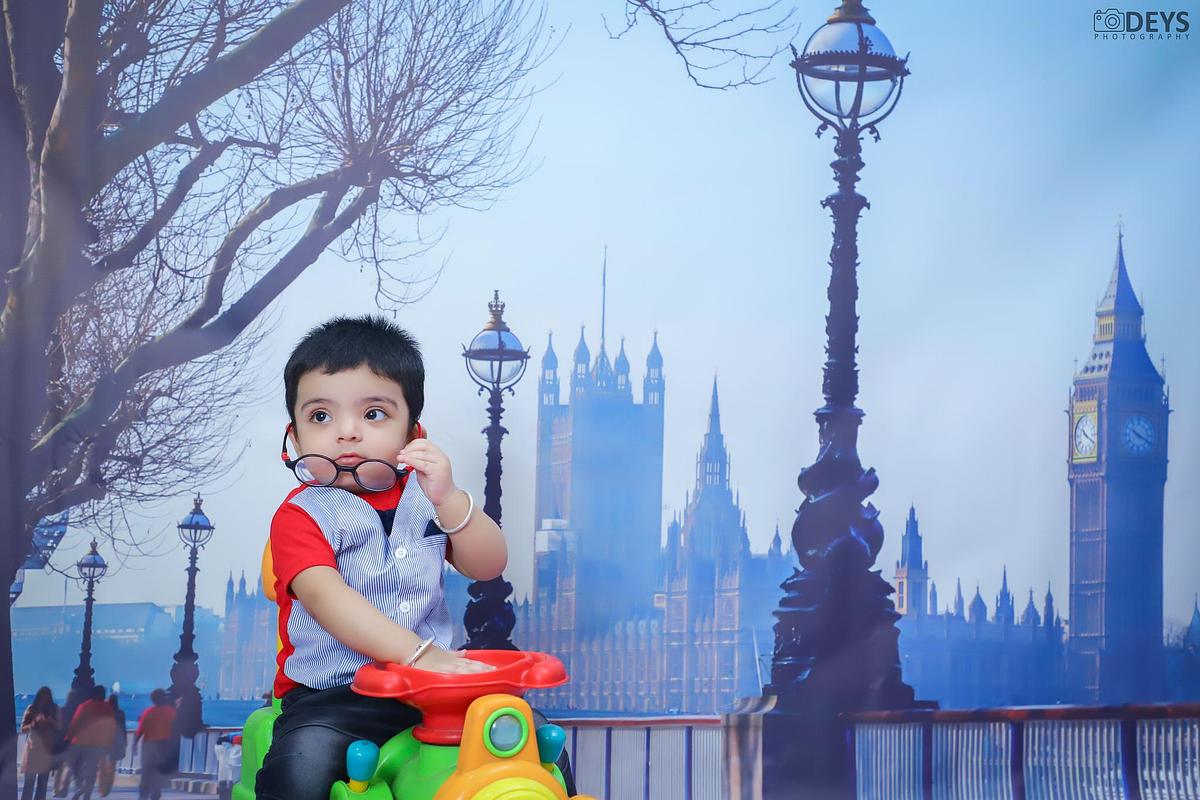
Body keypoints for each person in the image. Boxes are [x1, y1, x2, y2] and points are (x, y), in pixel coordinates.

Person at [254, 316, 508, 800]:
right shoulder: (300, 515)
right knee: (299, 768)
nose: (347, 433)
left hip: (431, 691)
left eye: (373, 414)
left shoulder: (426, 497)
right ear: (295, 436)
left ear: (414, 431)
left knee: (529, 740)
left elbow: (489, 564)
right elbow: (326, 598)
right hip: (336, 696)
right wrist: (421, 654)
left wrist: (451, 498)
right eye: (321, 417)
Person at [64, 685, 117, 800]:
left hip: (81, 741)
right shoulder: (108, 708)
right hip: (98, 744)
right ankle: (87, 793)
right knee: (92, 769)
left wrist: (68, 737)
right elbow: (111, 727)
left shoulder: (85, 706)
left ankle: (80, 786)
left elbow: (75, 722)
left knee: (74, 764)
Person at [132, 689, 176, 800]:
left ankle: (143, 796)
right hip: (163, 745)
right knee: (158, 773)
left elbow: (140, 730)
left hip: (148, 745)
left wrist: (134, 744)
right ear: (163, 698)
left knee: (146, 773)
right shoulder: (171, 712)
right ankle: (155, 794)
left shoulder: (147, 712)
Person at [20, 687, 59, 800]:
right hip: (33, 750)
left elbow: (60, 728)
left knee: (41, 785)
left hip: (47, 750)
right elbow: (23, 728)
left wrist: (51, 722)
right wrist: (33, 724)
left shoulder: (54, 710)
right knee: (29, 784)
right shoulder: (32, 709)